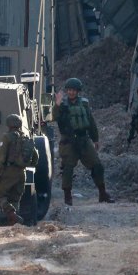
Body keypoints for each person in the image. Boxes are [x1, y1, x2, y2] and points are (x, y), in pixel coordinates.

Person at [52, 77, 110, 205]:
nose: (71, 92)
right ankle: (68, 197)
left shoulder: (84, 103)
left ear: (78, 91)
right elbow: (53, 117)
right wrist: (57, 104)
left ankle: (103, 193)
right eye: (69, 90)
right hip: (69, 141)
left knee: (97, 166)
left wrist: (95, 139)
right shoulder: (62, 104)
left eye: (74, 90)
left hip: (84, 139)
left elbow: (91, 121)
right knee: (67, 169)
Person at [0, 114, 38, 225]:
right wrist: (28, 164)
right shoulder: (26, 138)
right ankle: (14, 225)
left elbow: (1, 157)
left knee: (1, 197)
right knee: (15, 199)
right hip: (21, 172)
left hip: (9, 172)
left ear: (8, 124)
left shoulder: (7, 137)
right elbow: (35, 156)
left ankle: (12, 215)